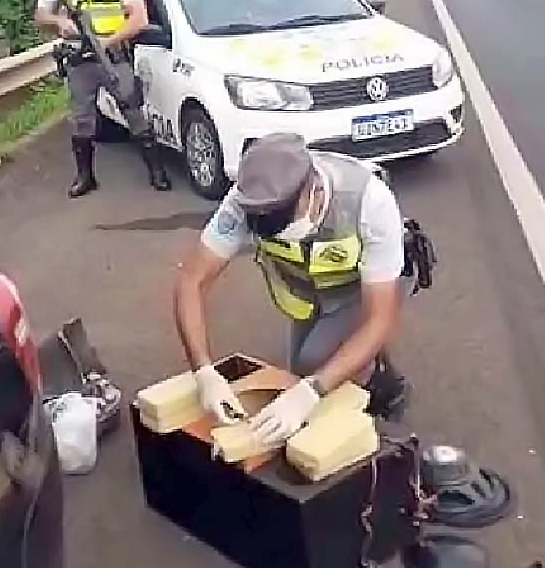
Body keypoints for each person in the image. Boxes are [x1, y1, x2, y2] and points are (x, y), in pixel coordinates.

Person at [173, 133, 413, 447]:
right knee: (301, 369)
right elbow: (192, 280)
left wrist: (311, 391)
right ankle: (363, 366)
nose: (279, 231)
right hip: (309, 292)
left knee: (312, 367)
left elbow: (380, 319)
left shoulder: (369, 202)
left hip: (365, 288)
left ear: (313, 189)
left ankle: (381, 390)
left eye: (285, 219)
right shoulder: (247, 201)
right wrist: (203, 371)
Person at [34, 0, 171, 198]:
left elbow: (139, 18)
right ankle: (85, 177)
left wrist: (107, 42)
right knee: (82, 119)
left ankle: (157, 172)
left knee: (133, 110)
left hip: (113, 55)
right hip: (79, 60)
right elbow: (40, 15)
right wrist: (60, 21)